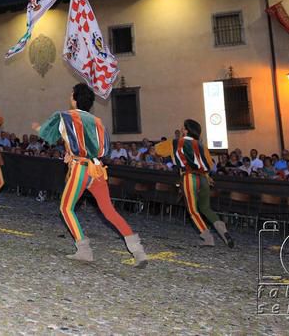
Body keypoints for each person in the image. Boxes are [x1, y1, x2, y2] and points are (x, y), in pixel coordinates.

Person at [32, 83, 148, 267]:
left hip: (80, 169)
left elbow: (49, 135)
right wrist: (71, 151)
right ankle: (138, 250)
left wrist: (38, 128)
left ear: (74, 98)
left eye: (71, 94)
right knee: (109, 211)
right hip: (98, 169)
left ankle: (84, 249)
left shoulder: (65, 116)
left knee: (66, 208)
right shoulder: (98, 122)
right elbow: (103, 149)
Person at [153, 119, 234, 248]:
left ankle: (207, 237)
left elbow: (157, 150)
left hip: (189, 177)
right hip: (204, 178)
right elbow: (210, 164)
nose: (181, 129)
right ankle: (223, 231)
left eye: (183, 127)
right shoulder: (201, 146)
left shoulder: (175, 142)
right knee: (206, 208)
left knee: (193, 210)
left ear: (186, 130)